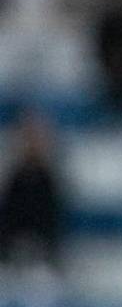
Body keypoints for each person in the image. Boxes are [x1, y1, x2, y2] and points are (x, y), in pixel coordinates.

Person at [0, 112, 65, 272]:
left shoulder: (50, 183)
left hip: (44, 256)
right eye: (27, 140)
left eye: (37, 140)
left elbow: (53, 225)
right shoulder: (12, 181)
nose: (31, 145)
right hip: (9, 254)